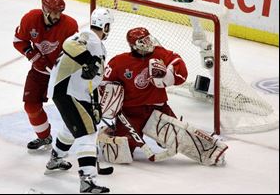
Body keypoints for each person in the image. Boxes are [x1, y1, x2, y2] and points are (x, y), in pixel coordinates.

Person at [98, 27, 228, 165]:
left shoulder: (159, 53)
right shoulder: (119, 62)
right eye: (143, 41)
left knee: (179, 138)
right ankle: (110, 131)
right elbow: (103, 83)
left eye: (148, 38)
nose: (148, 43)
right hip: (131, 114)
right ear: (133, 46)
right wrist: (109, 97)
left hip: (158, 109)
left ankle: (212, 152)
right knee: (119, 154)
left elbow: (177, 63)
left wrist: (167, 74)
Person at [45, 8, 114, 193]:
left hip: (76, 92)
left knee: (71, 126)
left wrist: (95, 102)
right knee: (88, 134)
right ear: (105, 26)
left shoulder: (96, 43)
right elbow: (69, 45)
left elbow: (92, 79)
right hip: (67, 91)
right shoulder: (88, 36)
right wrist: (88, 61)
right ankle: (87, 180)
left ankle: (56, 159)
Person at [13, 0, 78, 150]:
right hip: (39, 73)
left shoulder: (70, 25)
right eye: (54, 12)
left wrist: (63, 64)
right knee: (31, 106)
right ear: (45, 9)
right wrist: (33, 55)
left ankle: (85, 140)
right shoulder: (30, 19)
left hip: (63, 75)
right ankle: (44, 137)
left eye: (59, 12)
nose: (57, 15)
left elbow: (76, 51)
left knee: (74, 111)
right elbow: (19, 41)